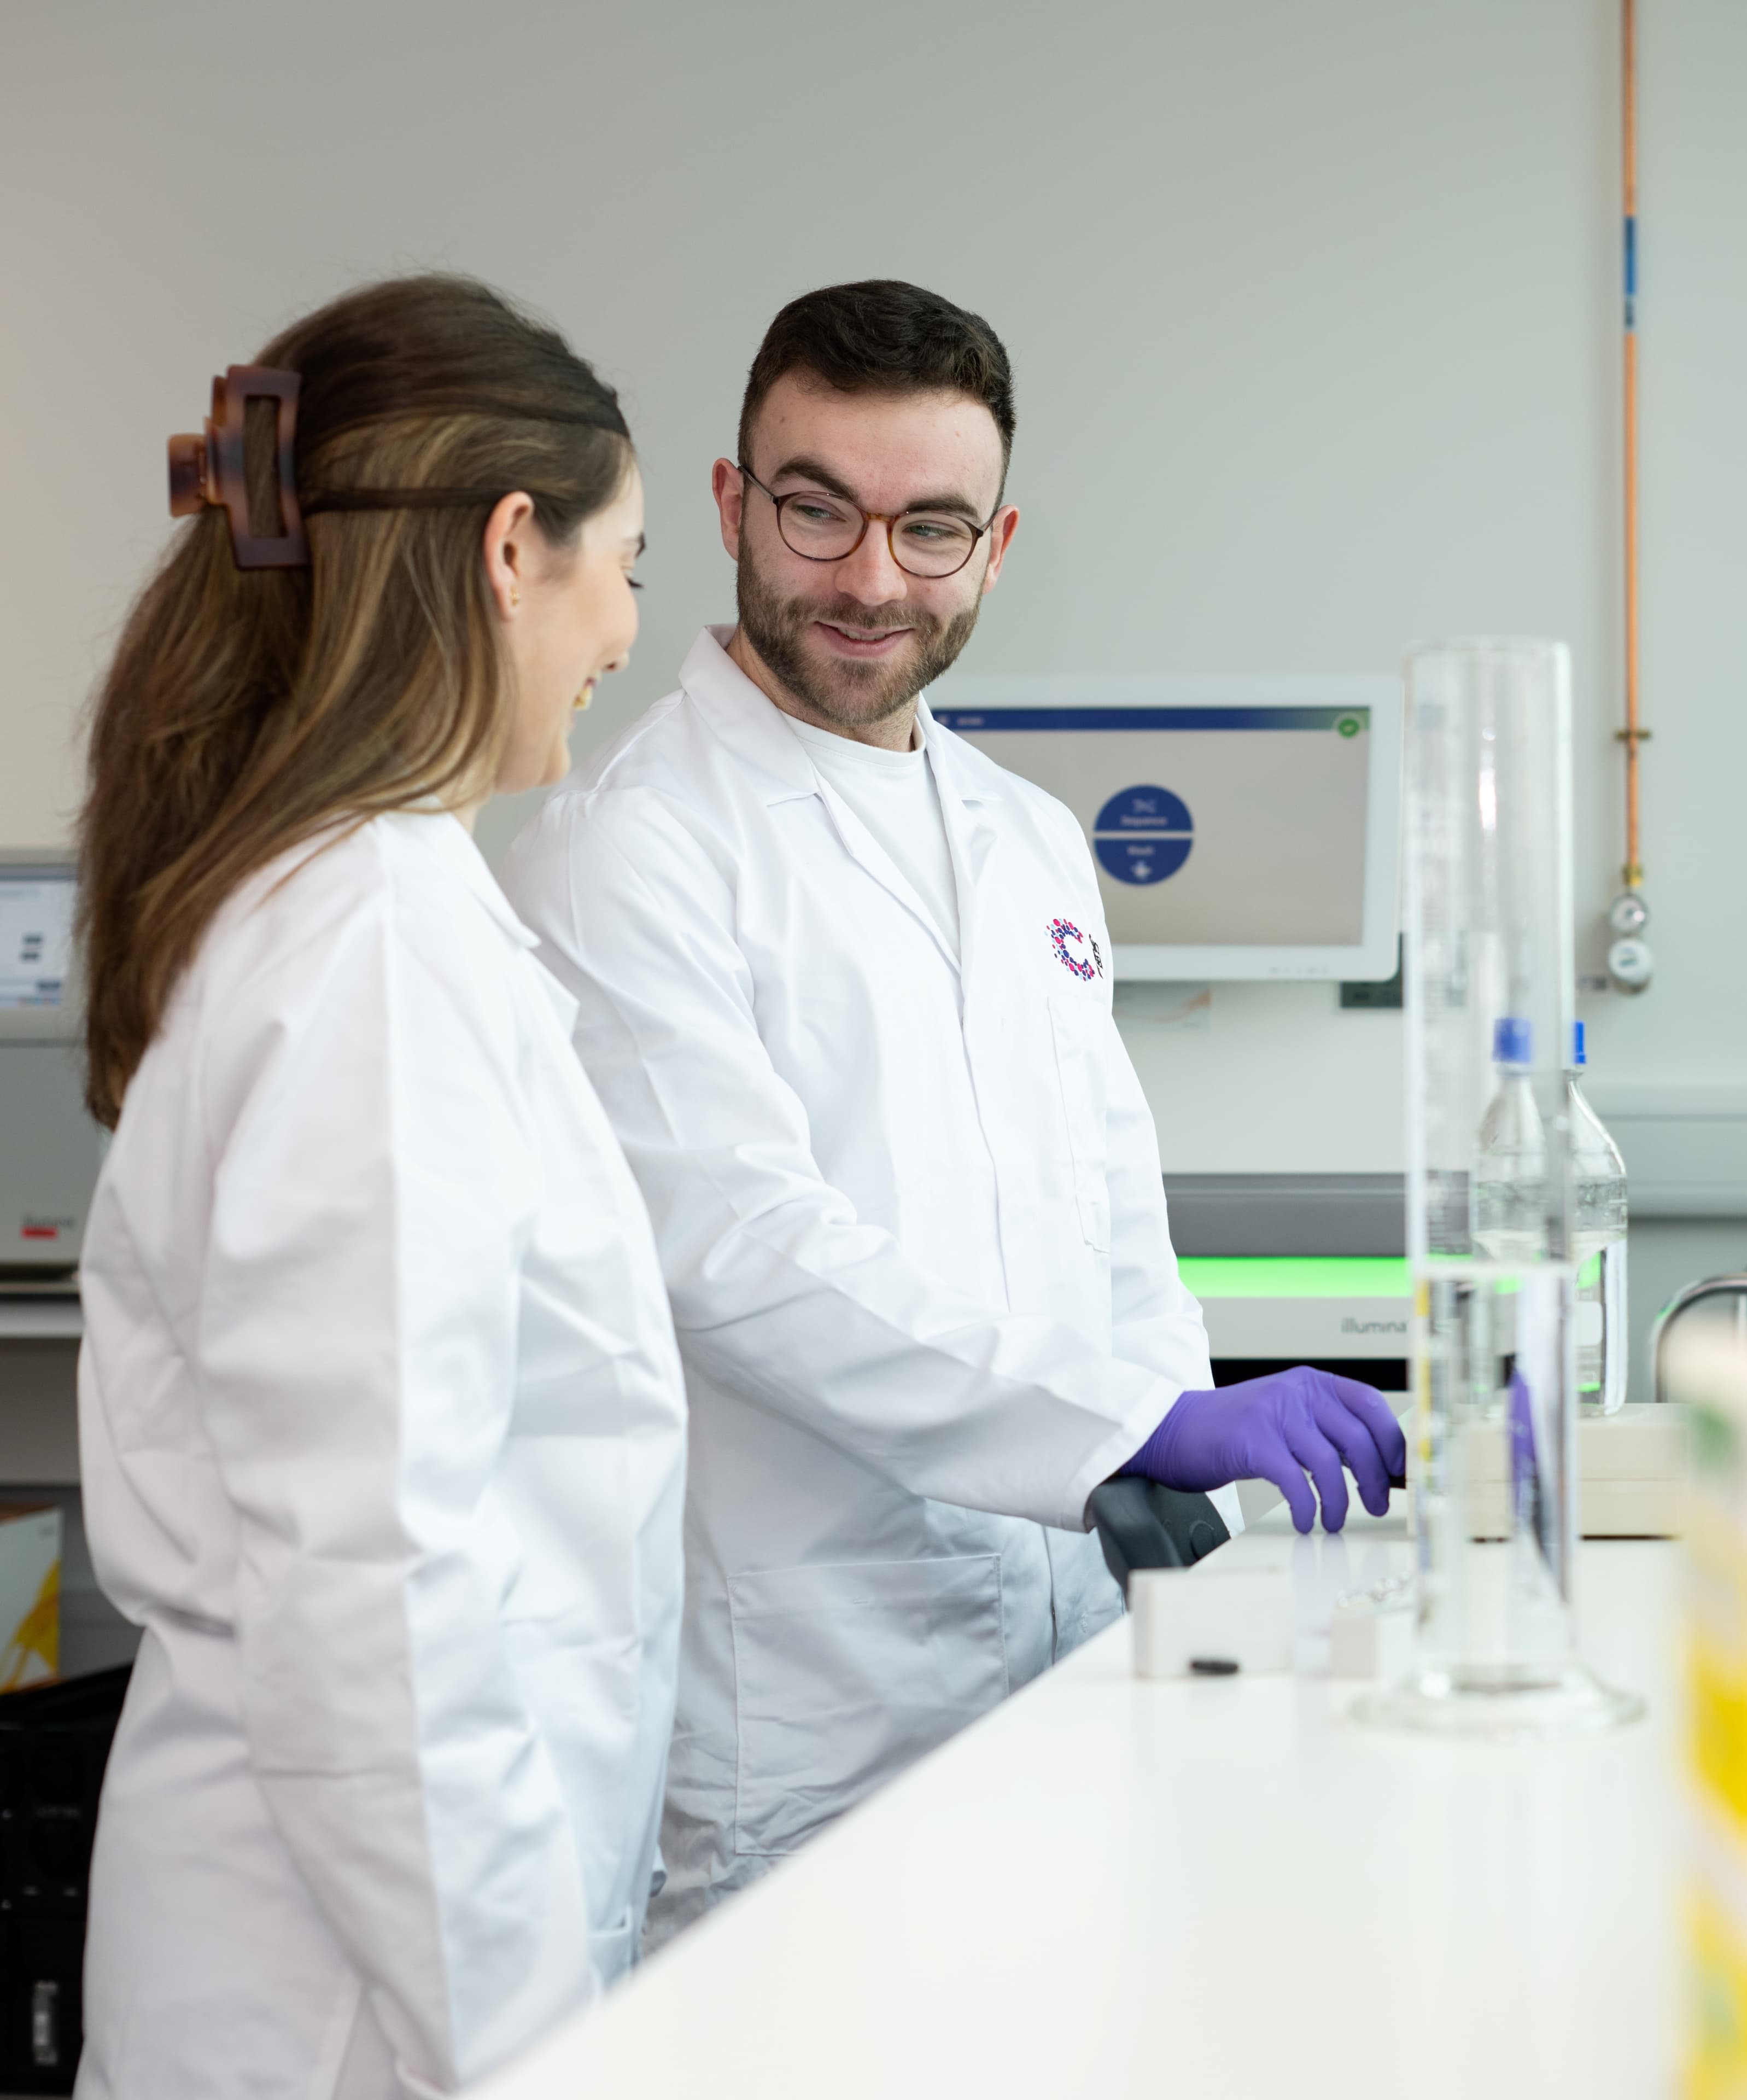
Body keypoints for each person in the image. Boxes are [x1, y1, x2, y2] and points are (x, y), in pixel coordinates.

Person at [501, 279, 1402, 1935]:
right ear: (730, 505)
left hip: (1077, 1658)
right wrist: (1120, 1429)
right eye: (818, 509)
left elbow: (1110, 1212)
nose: (867, 578)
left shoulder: (1028, 840)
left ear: (994, 547)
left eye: (930, 530)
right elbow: (745, 1248)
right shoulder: (626, 847)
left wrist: (1185, 1491)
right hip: (808, 1715)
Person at [73, 276, 686, 2098]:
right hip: (360, 2004)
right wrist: (528, 2054)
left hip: (340, 1960)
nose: (627, 632)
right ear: (515, 549)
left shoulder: (356, 912)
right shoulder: (373, 948)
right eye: (630, 564)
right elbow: (377, 1594)